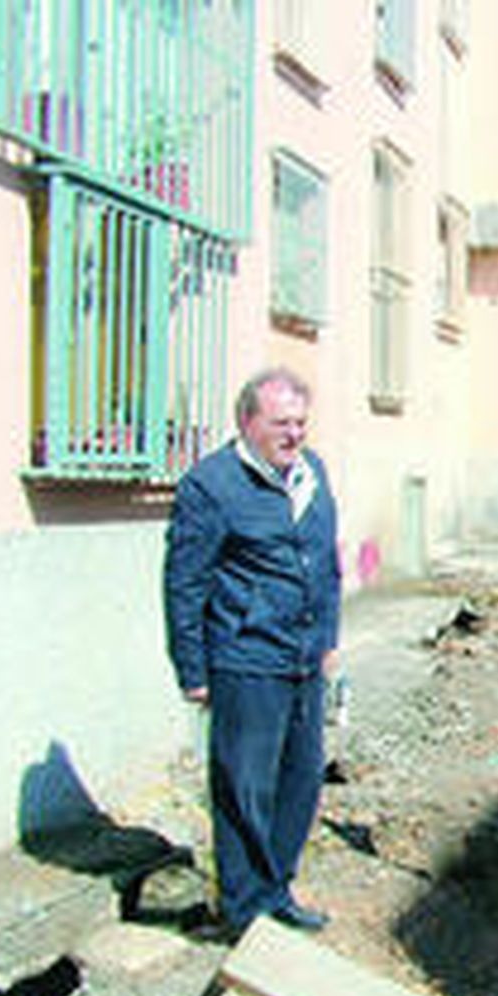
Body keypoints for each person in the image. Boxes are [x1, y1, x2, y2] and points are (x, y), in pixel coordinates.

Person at [164, 367, 341, 938]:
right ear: (248, 422)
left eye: (300, 423)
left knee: (301, 780)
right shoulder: (211, 486)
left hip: (304, 659)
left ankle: (276, 890)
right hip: (245, 659)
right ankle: (242, 911)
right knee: (244, 787)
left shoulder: (312, 474)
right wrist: (193, 670)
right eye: (281, 423)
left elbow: (328, 565)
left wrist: (329, 638)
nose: (294, 435)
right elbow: (185, 584)